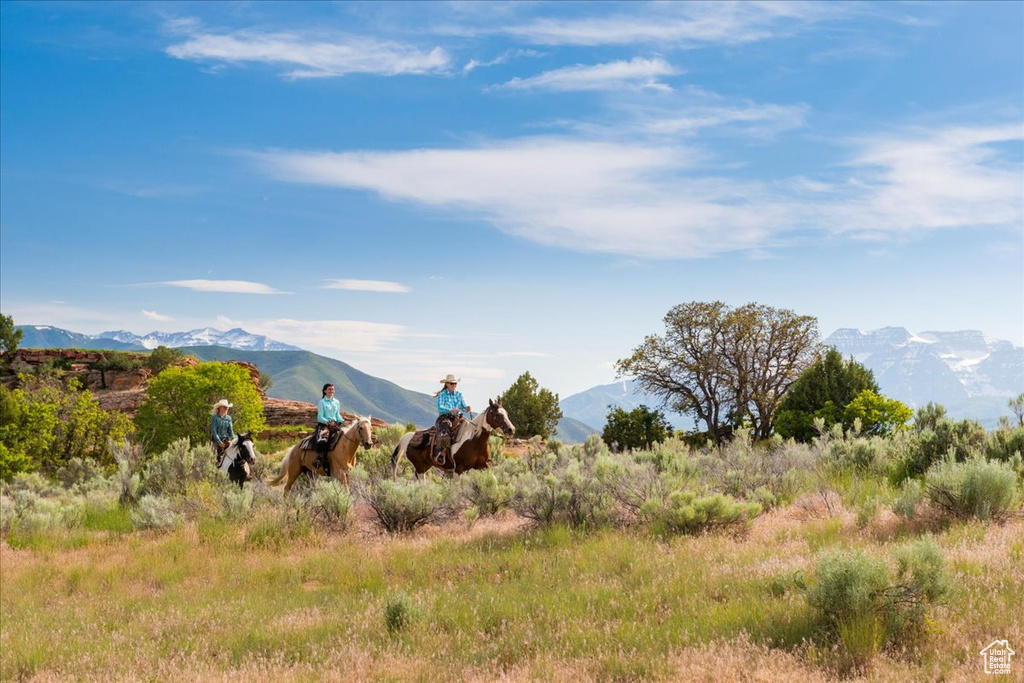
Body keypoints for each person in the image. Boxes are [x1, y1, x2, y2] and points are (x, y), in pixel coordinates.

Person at [433, 374, 471, 466]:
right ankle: (441, 452)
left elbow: (463, 406)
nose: (454, 385)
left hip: (457, 418)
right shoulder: (442, 394)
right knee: (445, 429)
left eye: (455, 384)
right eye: (452, 383)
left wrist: (467, 408)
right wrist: (451, 410)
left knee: (468, 427)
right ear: (447, 384)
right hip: (444, 417)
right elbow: (440, 407)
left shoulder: (459, 394)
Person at [313, 383, 344, 472]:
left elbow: (337, 415)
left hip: (335, 424)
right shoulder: (321, 402)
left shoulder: (336, 402)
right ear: (325, 391)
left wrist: (343, 421)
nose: (331, 391)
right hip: (324, 425)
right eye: (329, 389)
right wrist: (328, 422)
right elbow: (320, 417)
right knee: (323, 440)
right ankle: (320, 459)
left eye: (332, 389)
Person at [210, 399, 235, 467]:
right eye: (225, 407)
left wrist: (233, 440)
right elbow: (214, 432)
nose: (227, 408)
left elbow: (230, 431)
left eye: (227, 407)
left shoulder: (229, 418)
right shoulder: (215, 418)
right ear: (220, 408)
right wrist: (219, 442)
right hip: (216, 442)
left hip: (226, 441)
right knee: (213, 458)